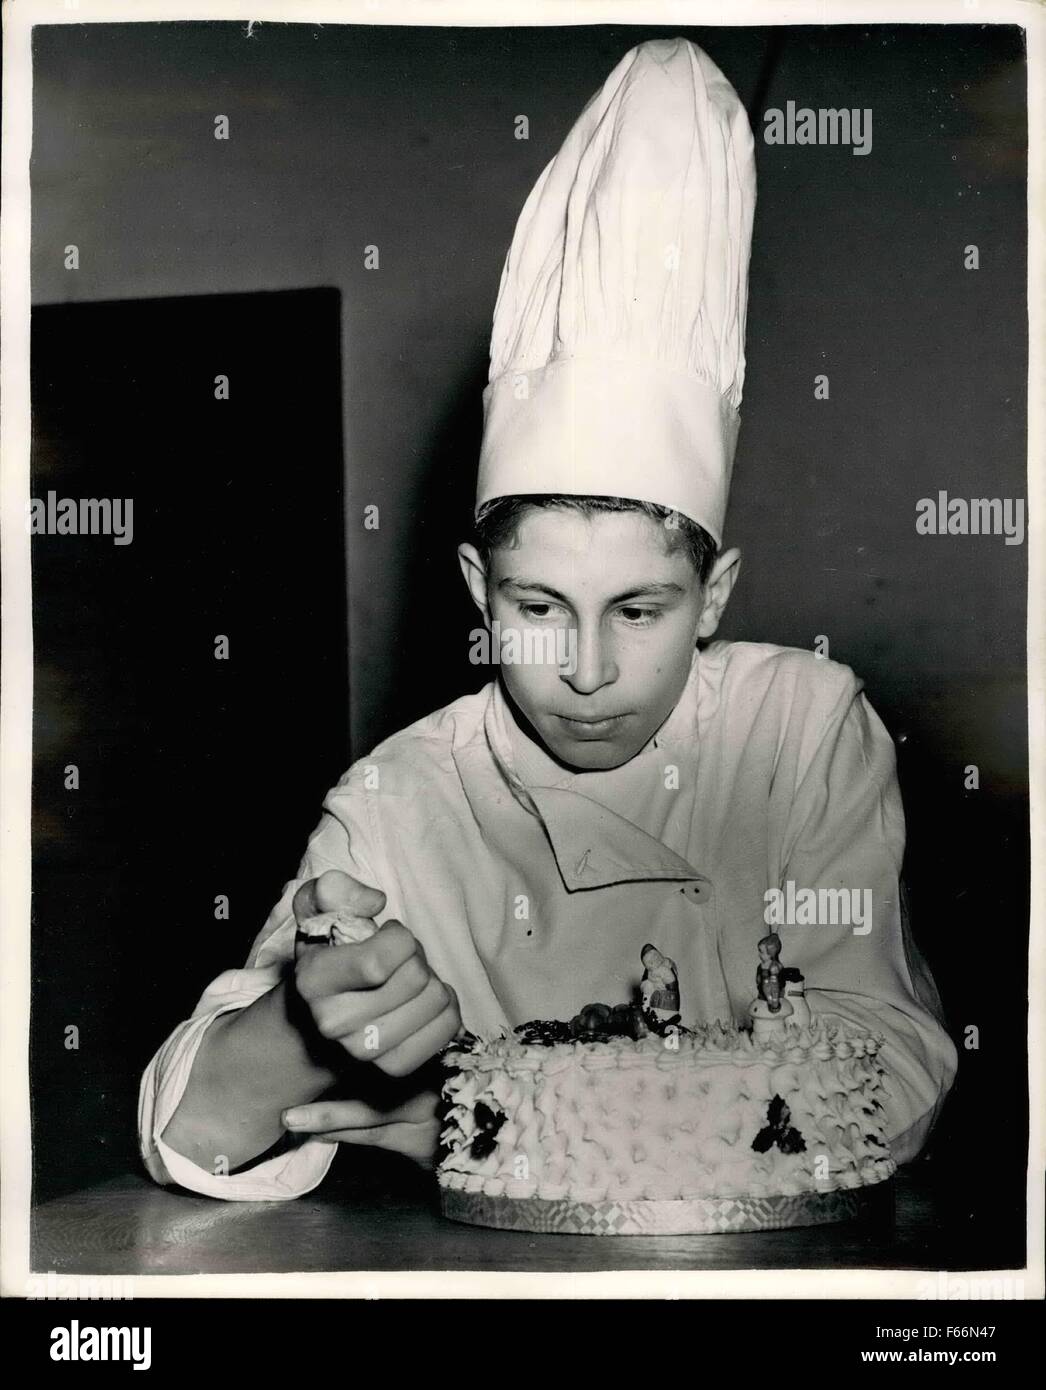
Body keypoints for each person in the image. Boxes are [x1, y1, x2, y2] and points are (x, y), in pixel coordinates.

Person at [140, 38, 957, 1201]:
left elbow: (881, 1068)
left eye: (638, 608)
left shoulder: (801, 727)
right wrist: (299, 1019)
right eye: (537, 607)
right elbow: (187, 1132)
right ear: (479, 592)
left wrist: (505, 1118)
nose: (584, 668)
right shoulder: (400, 801)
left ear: (711, 597)